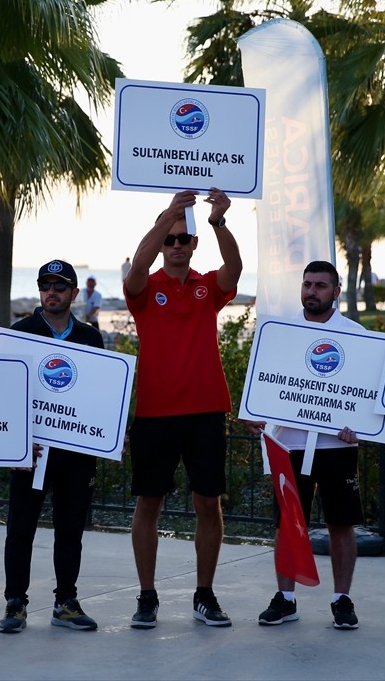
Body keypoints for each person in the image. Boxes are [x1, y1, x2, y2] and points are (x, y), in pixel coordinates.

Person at [123, 187, 242, 628]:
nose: (174, 246)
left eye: (181, 239)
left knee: (208, 505)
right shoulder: (143, 288)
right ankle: (147, 596)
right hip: (155, 413)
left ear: (193, 245)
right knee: (147, 507)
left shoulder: (206, 286)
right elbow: (139, 264)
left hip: (206, 410)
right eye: (169, 239)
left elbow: (235, 268)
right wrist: (169, 215)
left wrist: (216, 221)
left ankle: (205, 595)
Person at [245, 261, 366, 630]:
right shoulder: (281, 333)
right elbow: (265, 383)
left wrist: (357, 427)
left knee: (341, 525)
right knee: (287, 524)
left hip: (336, 447)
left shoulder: (356, 335)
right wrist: (254, 412)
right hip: (289, 445)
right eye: (307, 284)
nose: (312, 291)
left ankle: (341, 599)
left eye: (320, 286)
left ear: (336, 291)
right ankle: (286, 599)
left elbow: (365, 394)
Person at [0, 260, 105, 634]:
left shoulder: (91, 337)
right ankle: (15, 603)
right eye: (46, 285)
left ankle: (66, 603)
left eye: (60, 286)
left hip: (76, 453)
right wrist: (15, 444)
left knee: (70, 529)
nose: (52, 292)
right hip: (31, 453)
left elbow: (96, 396)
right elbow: (4, 394)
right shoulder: (20, 333)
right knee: (20, 528)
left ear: (75, 294)